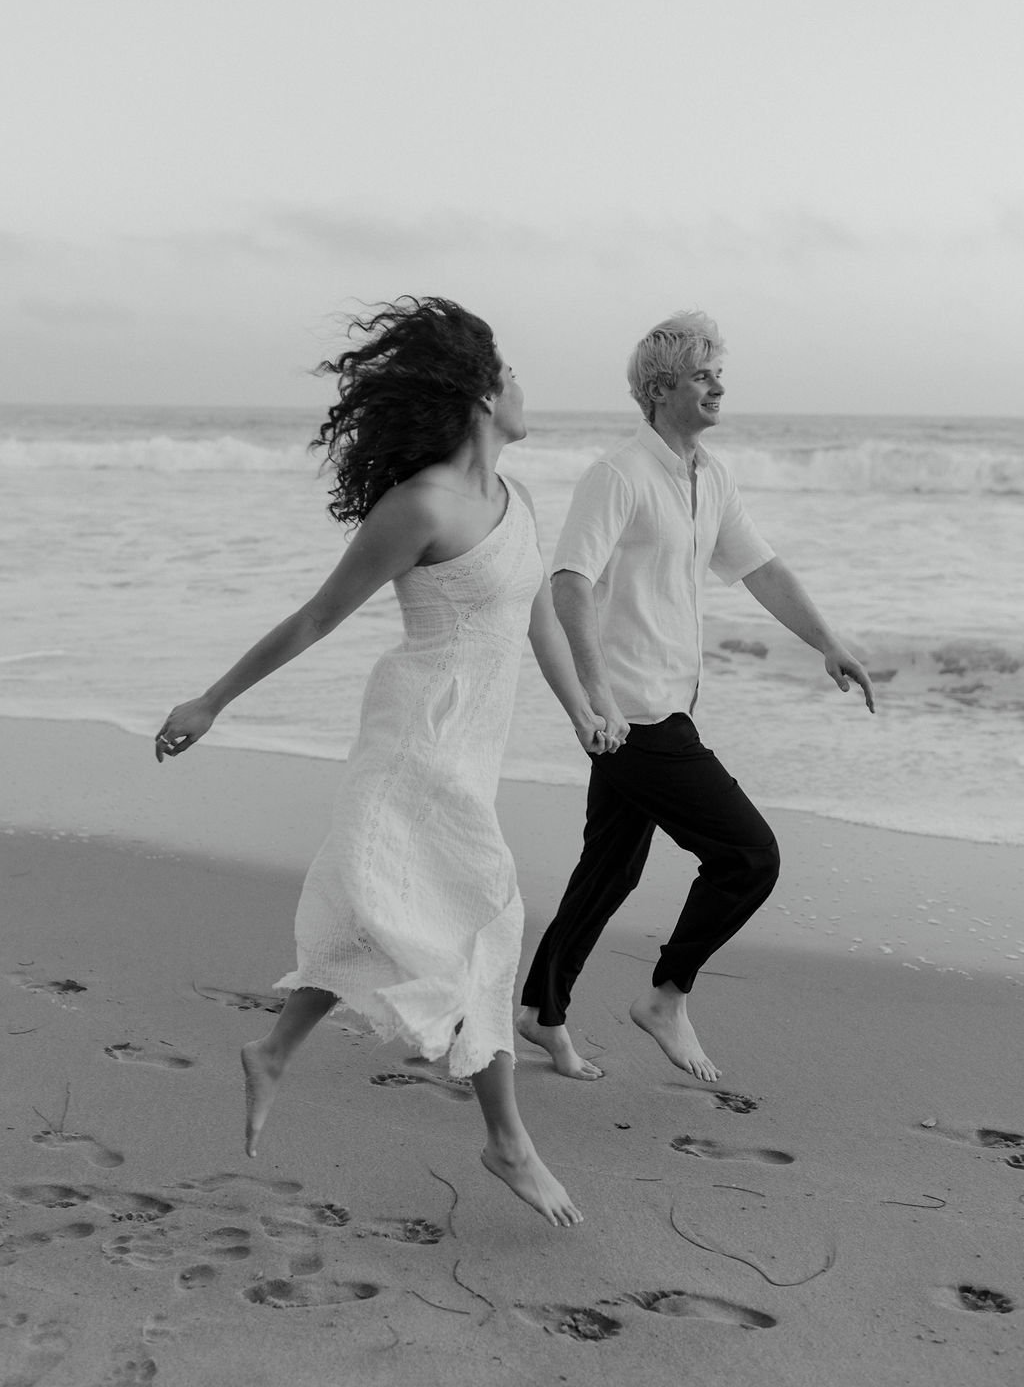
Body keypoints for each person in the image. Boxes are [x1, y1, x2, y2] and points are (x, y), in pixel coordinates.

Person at [156, 296, 607, 1227]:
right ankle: (508, 1142)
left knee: (387, 913)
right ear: (482, 392)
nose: (527, 388)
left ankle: (273, 1054)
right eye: (512, 372)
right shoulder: (421, 505)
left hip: (470, 747)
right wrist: (211, 701)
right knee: (487, 910)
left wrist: (583, 712)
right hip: (415, 740)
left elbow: (536, 616)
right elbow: (317, 617)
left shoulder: (517, 500)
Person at [517, 309, 874, 1085]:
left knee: (608, 870)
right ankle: (666, 996)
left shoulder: (709, 474)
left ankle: (541, 1013)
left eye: (718, 371)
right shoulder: (618, 475)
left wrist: (830, 643)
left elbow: (760, 568)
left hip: (668, 701)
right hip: (633, 713)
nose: (718, 384)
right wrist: (598, 697)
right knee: (748, 856)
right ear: (660, 388)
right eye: (703, 373)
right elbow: (570, 582)